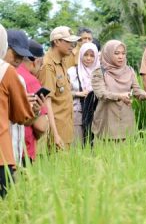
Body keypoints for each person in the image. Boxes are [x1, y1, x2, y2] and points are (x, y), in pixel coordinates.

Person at [91, 40, 146, 141]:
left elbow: (136, 91)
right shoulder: (99, 72)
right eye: (116, 53)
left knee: (126, 153)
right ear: (107, 54)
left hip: (126, 119)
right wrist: (120, 96)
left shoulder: (129, 70)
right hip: (107, 119)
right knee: (105, 153)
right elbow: (101, 93)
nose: (121, 56)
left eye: (123, 53)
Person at [0, 24, 36, 198]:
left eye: (22, 57)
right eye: (15, 53)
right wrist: (28, 107)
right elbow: (23, 116)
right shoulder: (7, 72)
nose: (18, 59)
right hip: (3, 155)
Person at [38, 26, 80, 149]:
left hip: (65, 127)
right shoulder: (48, 66)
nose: (72, 45)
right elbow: (46, 101)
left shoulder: (62, 62)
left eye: (73, 42)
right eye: (67, 42)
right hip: (55, 130)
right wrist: (55, 134)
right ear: (56, 42)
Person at [17, 40, 49, 164]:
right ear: (36, 61)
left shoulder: (8, 72)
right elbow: (40, 127)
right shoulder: (31, 81)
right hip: (24, 148)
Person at [67, 42, 99, 145]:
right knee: (78, 144)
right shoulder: (72, 72)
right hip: (78, 112)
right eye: (86, 55)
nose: (88, 58)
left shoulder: (99, 73)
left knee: (94, 146)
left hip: (95, 114)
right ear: (81, 55)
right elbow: (63, 93)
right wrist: (78, 93)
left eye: (92, 55)